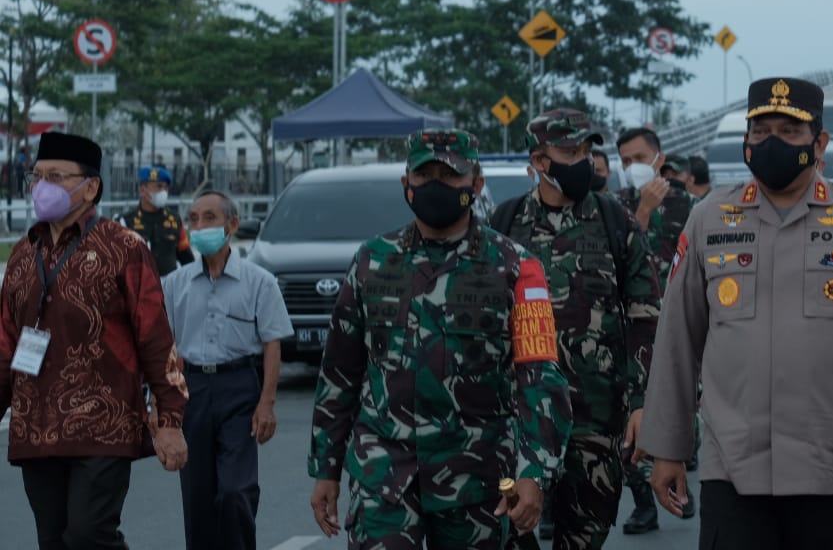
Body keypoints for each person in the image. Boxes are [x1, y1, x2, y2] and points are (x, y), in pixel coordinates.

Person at [639, 77, 833, 550]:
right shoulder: (710, 218)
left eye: (789, 131)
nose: (772, 143)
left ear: (819, 142)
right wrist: (668, 448)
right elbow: (678, 338)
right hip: (734, 469)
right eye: (761, 132)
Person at [308, 129, 572, 548]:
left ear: (476, 184)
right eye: (424, 175)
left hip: (477, 478)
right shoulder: (371, 260)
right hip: (383, 473)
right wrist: (326, 468)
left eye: (449, 176)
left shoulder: (518, 267)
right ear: (405, 185)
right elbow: (340, 371)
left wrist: (534, 470)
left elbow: (539, 377)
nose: (435, 186)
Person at [0, 131, 190, 549]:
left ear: (91, 187)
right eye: (38, 175)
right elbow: (6, 343)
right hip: (35, 428)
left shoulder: (123, 248)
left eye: (57, 176)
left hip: (103, 424)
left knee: (89, 534)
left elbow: (156, 338)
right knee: (52, 540)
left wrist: (170, 420)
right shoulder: (20, 254)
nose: (43, 185)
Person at [488, 110, 662, 550]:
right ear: (540, 161)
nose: (582, 160)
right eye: (569, 152)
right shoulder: (505, 225)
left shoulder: (613, 221)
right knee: (512, 535)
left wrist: (642, 403)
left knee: (585, 538)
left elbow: (646, 317)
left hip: (596, 420)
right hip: (519, 423)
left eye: (587, 151)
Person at [163, 190, 295, 550]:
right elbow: (165, 350)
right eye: (193, 219)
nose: (200, 226)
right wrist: (162, 409)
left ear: (232, 225)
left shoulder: (259, 283)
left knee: (236, 491)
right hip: (191, 390)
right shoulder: (174, 286)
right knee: (198, 496)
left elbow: (272, 343)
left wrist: (266, 403)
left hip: (238, 388)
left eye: (209, 218)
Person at [613, 127, 699, 534]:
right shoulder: (615, 208)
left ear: (659, 159)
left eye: (639, 158)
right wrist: (642, 212)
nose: (633, 167)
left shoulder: (693, 207)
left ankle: (678, 475)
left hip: (681, 323)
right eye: (625, 160)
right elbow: (617, 260)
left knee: (683, 406)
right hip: (633, 327)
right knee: (629, 415)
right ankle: (643, 502)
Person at [117, 165, 195, 276]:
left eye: (166, 188)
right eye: (158, 187)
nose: (163, 192)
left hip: (169, 287)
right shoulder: (124, 222)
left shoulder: (174, 220)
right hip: (137, 287)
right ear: (142, 189)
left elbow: (186, 258)